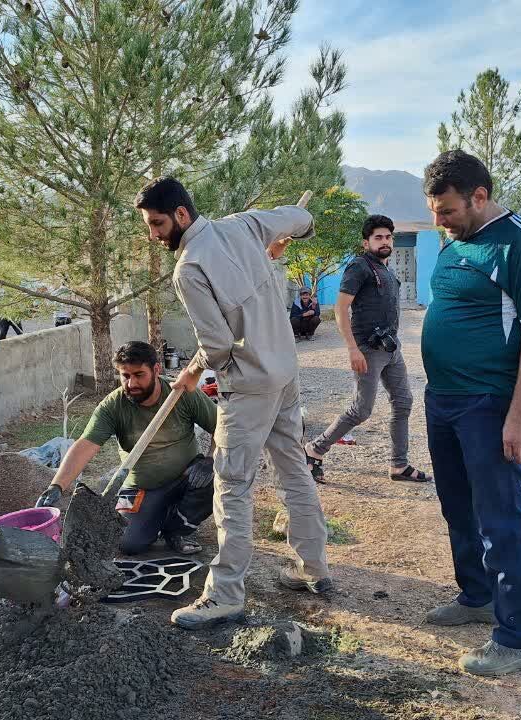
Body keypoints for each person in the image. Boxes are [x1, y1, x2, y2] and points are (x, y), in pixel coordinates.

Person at [136, 177, 331, 631]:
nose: (154, 234)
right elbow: (302, 218)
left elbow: (219, 345)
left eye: (157, 223)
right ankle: (315, 567)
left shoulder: (189, 268)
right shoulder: (244, 226)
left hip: (247, 388)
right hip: (284, 372)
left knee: (231, 487)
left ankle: (224, 595)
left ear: (181, 215)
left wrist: (197, 366)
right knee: (294, 469)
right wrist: (288, 233)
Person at [420, 150, 521, 676]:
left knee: (500, 518)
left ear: (480, 196)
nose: (439, 221)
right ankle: (475, 596)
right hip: (444, 399)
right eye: (433, 210)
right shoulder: (454, 241)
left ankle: (519, 639)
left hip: (488, 403)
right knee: (457, 506)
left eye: (447, 210)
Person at [34, 341, 217, 555]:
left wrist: (212, 459)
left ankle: (177, 530)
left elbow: (221, 426)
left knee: (218, 476)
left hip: (186, 478)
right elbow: (85, 445)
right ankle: (158, 516)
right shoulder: (112, 406)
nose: (131, 383)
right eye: (125, 376)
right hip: (140, 488)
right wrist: (57, 486)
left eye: (139, 374)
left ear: (156, 370)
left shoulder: (182, 393)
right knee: (128, 544)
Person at [304, 215, 432, 484]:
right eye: (378, 237)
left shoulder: (387, 269)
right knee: (361, 410)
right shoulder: (359, 267)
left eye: (388, 237)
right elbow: (340, 308)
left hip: (390, 348)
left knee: (403, 401)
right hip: (368, 350)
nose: (385, 241)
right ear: (366, 242)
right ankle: (314, 450)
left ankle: (399, 465)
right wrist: (353, 349)